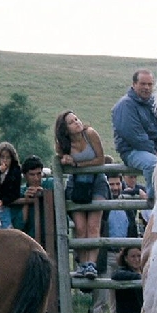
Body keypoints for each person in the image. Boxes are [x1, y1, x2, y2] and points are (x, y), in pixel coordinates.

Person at [56, 110, 108, 279]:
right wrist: (65, 160)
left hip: (96, 182)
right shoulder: (63, 144)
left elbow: (101, 159)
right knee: (79, 227)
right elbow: (60, 159)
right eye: (71, 122)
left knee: (93, 225)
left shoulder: (90, 134)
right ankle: (82, 264)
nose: (77, 122)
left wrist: (77, 164)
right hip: (76, 184)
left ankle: (92, 264)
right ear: (65, 129)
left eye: (76, 119)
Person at [112, 69, 157, 204]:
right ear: (134, 84)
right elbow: (135, 137)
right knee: (153, 164)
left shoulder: (154, 103)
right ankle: (154, 199)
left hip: (155, 149)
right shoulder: (125, 105)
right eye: (143, 84)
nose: (147, 88)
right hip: (132, 151)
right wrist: (156, 152)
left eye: (150, 84)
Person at [94, 172, 138, 313]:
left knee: (119, 296)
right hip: (106, 254)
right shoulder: (101, 204)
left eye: (117, 184)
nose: (115, 187)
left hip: (123, 256)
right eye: (111, 184)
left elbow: (132, 228)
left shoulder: (127, 205)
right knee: (102, 296)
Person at [12, 155, 54, 243]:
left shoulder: (51, 184)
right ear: (25, 175)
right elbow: (18, 226)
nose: (36, 178)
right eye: (32, 174)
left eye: (39, 173)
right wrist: (26, 201)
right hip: (29, 242)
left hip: (52, 239)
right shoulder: (19, 193)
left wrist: (45, 194)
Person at [111, 246, 144, 313]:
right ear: (125, 259)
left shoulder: (147, 271)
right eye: (133, 256)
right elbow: (115, 275)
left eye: (139, 256)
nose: (137, 259)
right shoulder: (122, 272)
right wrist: (138, 277)